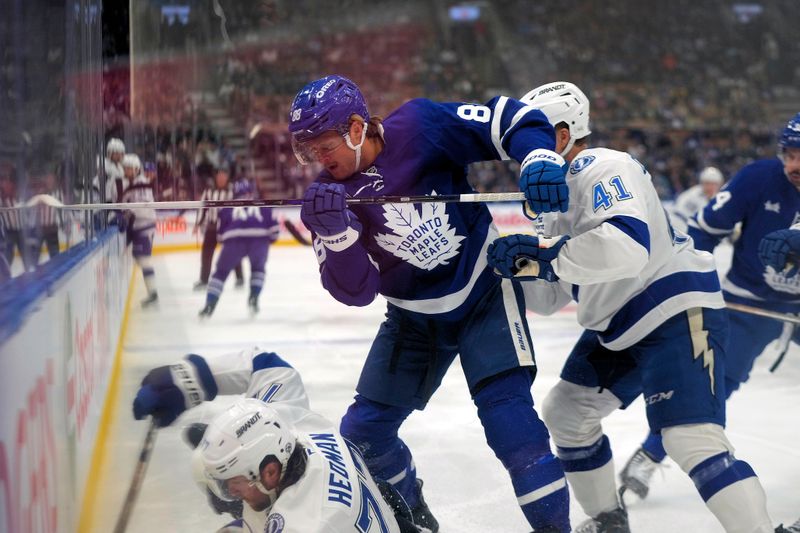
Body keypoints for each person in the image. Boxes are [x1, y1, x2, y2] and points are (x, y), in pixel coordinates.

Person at [488, 81, 776, 532]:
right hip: (619, 325)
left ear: (562, 135)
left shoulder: (604, 165)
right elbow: (549, 297)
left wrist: (547, 254)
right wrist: (515, 265)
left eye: (532, 136)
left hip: (671, 309)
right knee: (567, 415)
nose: (520, 152)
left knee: (689, 438)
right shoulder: (551, 199)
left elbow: (627, 246)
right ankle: (608, 521)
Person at [289, 75, 571, 532]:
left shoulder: (420, 125)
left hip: (483, 293)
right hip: (412, 319)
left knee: (512, 426)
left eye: (323, 147)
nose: (318, 161)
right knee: (364, 438)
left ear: (357, 128)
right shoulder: (328, 200)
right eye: (307, 152)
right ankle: (414, 520)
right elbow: (356, 292)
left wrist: (537, 155)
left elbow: (510, 118)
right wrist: (335, 234)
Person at [618, 112, 800, 506]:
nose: (794, 165)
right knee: (713, 384)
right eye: (789, 153)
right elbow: (703, 233)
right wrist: (682, 282)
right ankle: (649, 454)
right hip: (748, 305)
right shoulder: (758, 177)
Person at [131, 348, 424, 533]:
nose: (229, 495)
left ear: (269, 472)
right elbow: (267, 366)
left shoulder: (307, 522)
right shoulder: (296, 426)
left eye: (232, 485)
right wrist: (187, 379)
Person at [199, 179, 278, 318]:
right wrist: (268, 240)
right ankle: (254, 297)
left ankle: (210, 304)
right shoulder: (263, 204)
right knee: (258, 269)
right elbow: (274, 230)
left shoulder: (227, 207)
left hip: (234, 240)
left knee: (221, 273)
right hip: (259, 239)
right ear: (251, 191)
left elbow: (220, 235)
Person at [193, 167, 244, 291]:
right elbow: (203, 207)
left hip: (228, 228)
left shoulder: (233, 191)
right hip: (212, 227)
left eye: (223, 176)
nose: (221, 178)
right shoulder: (209, 191)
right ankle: (204, 279)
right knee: (206, 254)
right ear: (216, 177)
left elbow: (240, 208)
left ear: (227, 178)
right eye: (219, 176)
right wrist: (197, 223)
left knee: (233, 252)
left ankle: (240, 278)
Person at [121, 154, 159, 307]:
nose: (126, 170)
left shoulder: (142, 183)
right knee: (139, 257)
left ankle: (153, 293)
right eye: (125, 168)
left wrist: (127, 211)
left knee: (143, 260)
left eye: (129, 168)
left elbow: (144, 208)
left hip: (145, 225)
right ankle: (153, 292)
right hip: (137, 226)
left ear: (136, 169)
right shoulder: (130, 183)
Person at [669, 166, 724, 233]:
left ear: (719, 185)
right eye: (707, 183)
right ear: (702, 183)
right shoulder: (693, 195)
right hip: (678, 224)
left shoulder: (719, 197)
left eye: (713, 184)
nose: (710, 187)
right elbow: (679, 217)